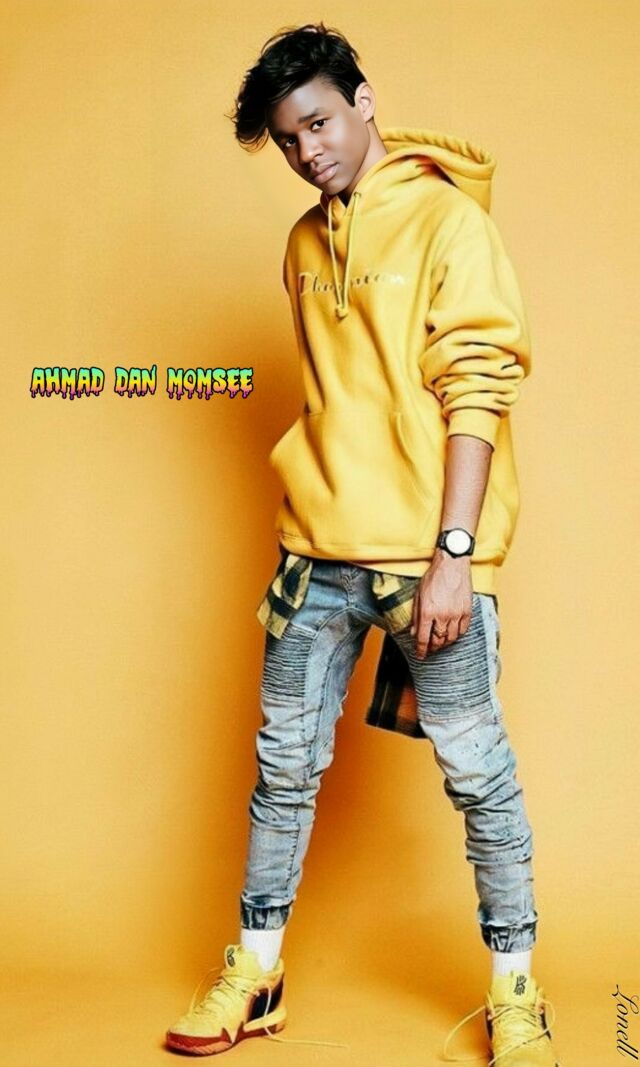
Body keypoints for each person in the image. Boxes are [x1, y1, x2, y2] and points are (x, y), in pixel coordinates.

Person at [165, 22, 561, 1066]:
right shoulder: (304, 243)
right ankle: (257, 972)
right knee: (283, 767)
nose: (309, 152)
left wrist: (453, 554)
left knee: (477, 773)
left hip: (427, 559)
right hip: (315, 555)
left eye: (320, 123)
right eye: (289, 140)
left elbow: (477, 389)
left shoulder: (449, 223)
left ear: (365, 100)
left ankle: (516, 991)